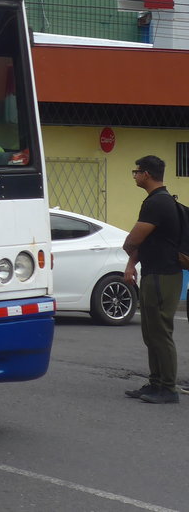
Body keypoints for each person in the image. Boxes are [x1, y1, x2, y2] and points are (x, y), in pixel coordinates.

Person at [122, 155, 182, 404]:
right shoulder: (156, 201)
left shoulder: (158, 203)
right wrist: (130, 264)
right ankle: (155, 383)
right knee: (150, 331)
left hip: (163, 275)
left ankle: (168, 388)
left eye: (137, 172)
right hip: (154, 272)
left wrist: (128, 249)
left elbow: (134, 239)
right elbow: (142, 242)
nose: (135, 176)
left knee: (160, 332)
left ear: (146, 174)